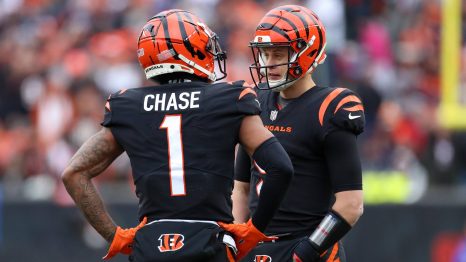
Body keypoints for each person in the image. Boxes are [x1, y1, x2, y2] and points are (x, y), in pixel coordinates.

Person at [62, 9, 293, 262]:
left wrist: (114, 236)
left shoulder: (128, 105)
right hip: (210, 244)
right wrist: (255, 229)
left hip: (150, 246)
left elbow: (74, 173)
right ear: (187, 51)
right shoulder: (229, 99)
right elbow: (280, 167)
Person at [232, 5, 365, 262]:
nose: (268, 64)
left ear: (308, 53)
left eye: (278, 54)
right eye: (265, 54)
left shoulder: (331, 107)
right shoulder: (254, 101)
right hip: (256, 248)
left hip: (308, 247)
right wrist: (238, 240)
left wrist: (307, 251)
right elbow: (241, 188)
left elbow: (351, 204)